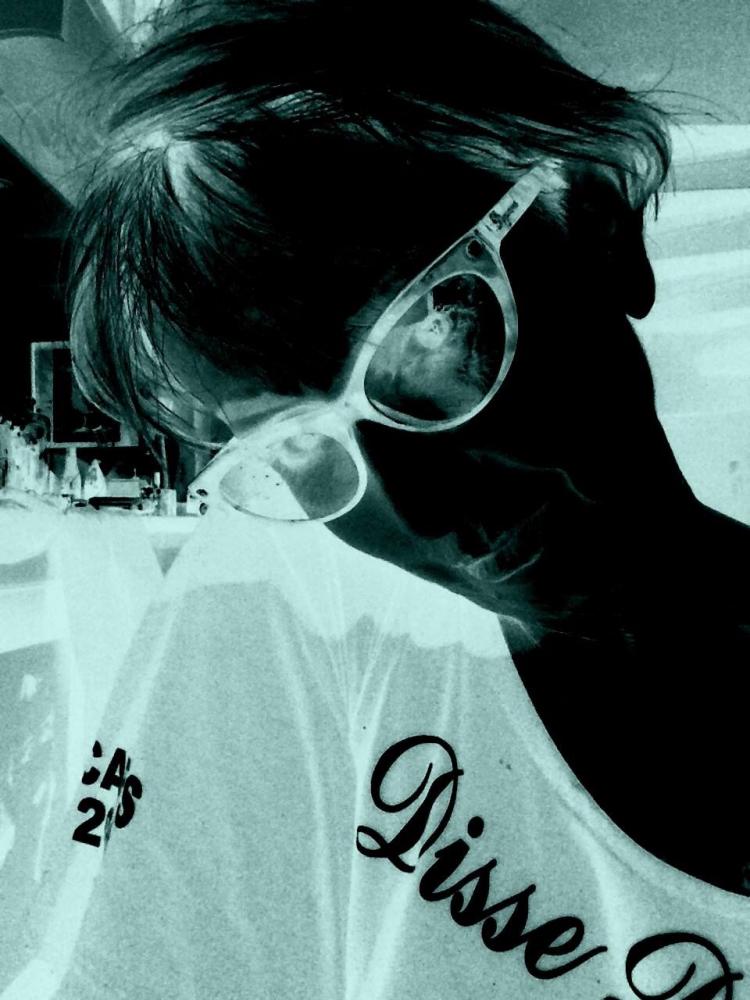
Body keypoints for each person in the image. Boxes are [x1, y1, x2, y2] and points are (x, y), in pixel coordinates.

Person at [66, 0, 750, 909]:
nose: (423, 507)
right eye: (297, 442)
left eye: (435, 337)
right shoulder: (313, 690)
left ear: (598, 226)